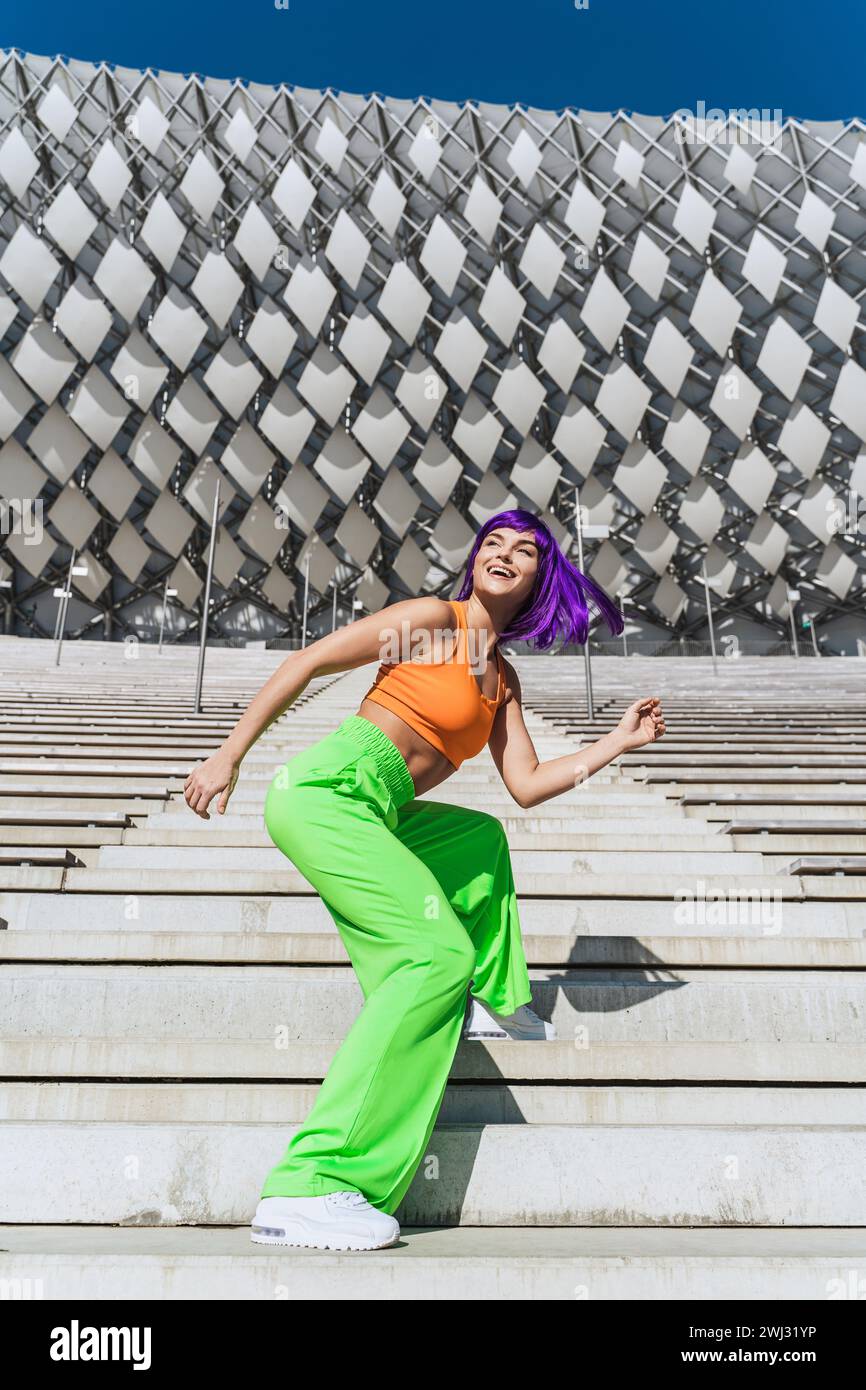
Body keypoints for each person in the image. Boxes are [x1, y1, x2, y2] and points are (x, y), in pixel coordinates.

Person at [183, 507, 666, 1252]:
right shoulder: (431, 622)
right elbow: (309, 662)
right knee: (434, 957)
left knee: (479, 838)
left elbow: (529, 785)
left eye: (525, 550)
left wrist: (617, 741)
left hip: (383, 810)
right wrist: (228, 756)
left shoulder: (500, 679)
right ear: (476, 557)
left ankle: (493, 1000)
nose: (504, 553)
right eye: (494, 542)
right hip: (329, 789)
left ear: (540, 577)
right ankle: (313, 1184)